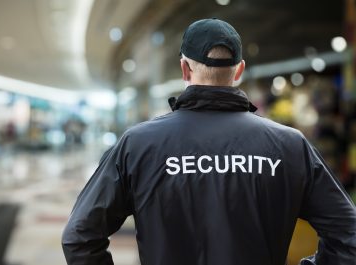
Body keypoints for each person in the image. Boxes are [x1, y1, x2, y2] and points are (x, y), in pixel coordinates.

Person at [62, 18, 356, 265]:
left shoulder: (138, 145)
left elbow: (80, 237)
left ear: (184, 69)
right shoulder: (290, 146)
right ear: (239, 71)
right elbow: (349, 235)